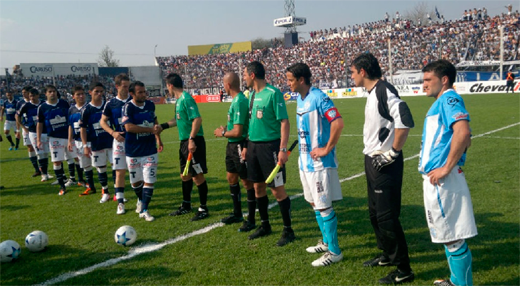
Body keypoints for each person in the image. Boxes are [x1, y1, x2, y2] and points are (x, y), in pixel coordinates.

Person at [350, 53, 415, 284]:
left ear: (363, 72)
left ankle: (404, 268)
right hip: (372, 160)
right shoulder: (372, 93)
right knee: (374, 214)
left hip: (385, 163)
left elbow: (404, 119)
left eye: (353, 72)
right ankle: (387, 255)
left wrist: (393, 152)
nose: (351, 76)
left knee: (387, 217)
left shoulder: (383, 90)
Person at [420, 60, 477, 286]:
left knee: (453, 238)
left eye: (428, 80)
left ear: (444, 80)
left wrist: (446, 167)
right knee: (447, 236)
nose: (423, 84)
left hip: (443, 180)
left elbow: (462, 133)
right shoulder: (441, 102)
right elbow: (466, 137)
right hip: (439, 178)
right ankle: (456, 281)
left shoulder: (449, 98)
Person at [286, 63, 344, 266]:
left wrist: (326, 149)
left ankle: (335, 252)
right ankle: (326, 242)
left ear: (301, 80)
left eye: (291, 80)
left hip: (319, 164)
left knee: (324, 206)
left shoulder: (319, 98)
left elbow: (337, 122)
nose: (288, 83)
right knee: (313, 203)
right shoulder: (300, 99)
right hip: (305, 162)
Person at [241, 61, 295, 247]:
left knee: (277, 189)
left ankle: (288, 230)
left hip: (270, 148)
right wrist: (247, 146)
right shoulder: (251, 96)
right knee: (257, 188)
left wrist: (282, 148)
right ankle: (265, 225)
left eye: (245, 75)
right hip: (254, 147)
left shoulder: (273, 93)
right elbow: (250, 124)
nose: (244, 78)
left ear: (253, 75)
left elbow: (284, 122)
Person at [159, 73, 211, 221]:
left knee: (197, 176)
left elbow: (197, 119)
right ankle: (186, 205)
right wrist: (162, 126)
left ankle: (203, 208)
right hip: (185, 142)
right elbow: (177, 119)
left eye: (166, 86)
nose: (166, 89)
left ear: (170, 85)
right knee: (185, 174)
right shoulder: (179, 101)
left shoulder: (186, 99)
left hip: (193, 142)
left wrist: (191, 139)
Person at [213, 72, 256, 231]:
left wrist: (222, 133)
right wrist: (226, 128)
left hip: (239, 144)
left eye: (224, 84)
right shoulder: (236, 101)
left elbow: (238, 132)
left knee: (246, 182)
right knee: (231, 177)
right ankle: (237, 213)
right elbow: (235, 127)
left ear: (228, 85)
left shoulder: (239, 101)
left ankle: (251, 219)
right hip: (231, 145)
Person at [122, 81, 163, 221]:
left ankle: (144, 209)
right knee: (135, 182)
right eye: (140, 92)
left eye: (144, 91)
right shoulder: (128, 107)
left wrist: (158, 138)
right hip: (133, 150)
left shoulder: (150, 105)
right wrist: (151, 130)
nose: (144, 94)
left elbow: (155, 122)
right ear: (132, 94)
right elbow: (129, 128)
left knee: (149, 180)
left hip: (150, 149)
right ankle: (141, 199)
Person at [100, 74, 133, 214]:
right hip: (119, 141)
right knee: (119, 171)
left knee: (136, 172)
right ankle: (120, 203)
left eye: (128, 86)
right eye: (124, 86)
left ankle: (140, 200)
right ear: (117, 86)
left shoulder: (134, 100)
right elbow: (102, 122)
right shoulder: (110, 104)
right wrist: (113, 133)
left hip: (134, 140)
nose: (127, 89)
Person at [80, 82, 114, 203]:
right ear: (90, 93)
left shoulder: (108, 106)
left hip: (112, 142)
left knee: (116, 166)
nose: (100, 94)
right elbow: (82, 129)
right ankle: (105, 192)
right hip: (96, 143)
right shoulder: (86, 110)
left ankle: (118, 193)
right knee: (101, 168)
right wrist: (85, 145)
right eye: (96, 92)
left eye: (101, 91)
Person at [37, 85, 73, 195]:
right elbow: (40, 124)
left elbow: (70, 119)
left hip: (67, 135)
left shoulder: (64, 103)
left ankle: (76, 179)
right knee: (57, 161)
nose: (52, 93)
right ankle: (62, 186)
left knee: (74, 158)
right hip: (54, 138)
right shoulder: (42, 107)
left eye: (54, 91)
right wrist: (38, 139)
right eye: (50, 91)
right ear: (46, 94)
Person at [20, 88, 53, 182]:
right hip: (33, 132)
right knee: (39, 153)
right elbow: (17, 115)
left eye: (34, 95)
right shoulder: (26, 105)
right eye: (30, 96)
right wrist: (23, 127)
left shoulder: (43, 104)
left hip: (45, 131)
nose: (32, 98)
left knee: (46, 153)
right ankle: (43, 174)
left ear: (38, 95)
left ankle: (46, 173)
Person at [68, 86, 92, 192]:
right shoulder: (71, 109)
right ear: (73, 96)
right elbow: (70, 126)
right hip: (78, 141)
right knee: (85, 164)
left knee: (99, 163)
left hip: (91, 139)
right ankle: (88, 184)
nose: (81, 96)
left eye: (82, 94)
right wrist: (69, 140)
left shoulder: (89, 107)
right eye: (78, 94)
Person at [16, 86, 41, 177]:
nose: (23, 94)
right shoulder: (21, 103)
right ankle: (36, 169)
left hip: (39, 129)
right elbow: (17, 116)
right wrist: (21, 128)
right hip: (27, 128)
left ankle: (42, 167)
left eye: (25, 92)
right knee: (30, 147)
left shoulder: (39, 103)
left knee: (39, 148)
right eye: (22, 93)